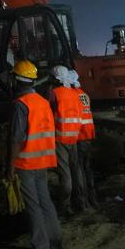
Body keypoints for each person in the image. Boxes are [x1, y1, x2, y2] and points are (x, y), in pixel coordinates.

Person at [8, 60, 64, 249]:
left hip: (26, 162)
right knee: (46, 201)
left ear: (16, 80)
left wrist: (10, 167)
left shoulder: (20, 105)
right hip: (44, 160)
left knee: (33, 205)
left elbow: (16, 139)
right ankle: (56, 242)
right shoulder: (42, 102)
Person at [48, 65, 86, 215]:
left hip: (60, 137)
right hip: (74, 136)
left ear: (55, 79)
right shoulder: (74, 93)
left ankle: (65, 206)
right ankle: (81, 202)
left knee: (65, 174)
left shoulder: (54, 94)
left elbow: (49, 113)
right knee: (76, 170)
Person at [69, 70, 97, 207]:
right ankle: (92, 198)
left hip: (79, 136)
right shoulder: (84, 95)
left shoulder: (72, 95)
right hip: (88, 134)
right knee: (87, 168)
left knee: (78, 168)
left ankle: (83, 201)